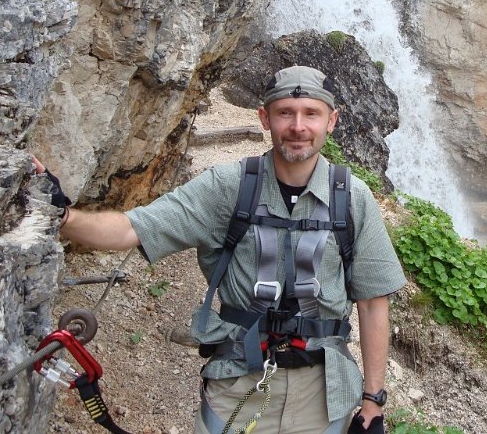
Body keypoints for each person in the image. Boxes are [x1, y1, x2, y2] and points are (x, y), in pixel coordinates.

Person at [37, 65, 406, 434]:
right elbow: (132, 228)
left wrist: (373, 401)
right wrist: (63, 214)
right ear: (264, 118)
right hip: (237, 382)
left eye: (311, 113)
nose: (298, 126)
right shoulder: (227, 187)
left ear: (331, 121)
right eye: (285, 113)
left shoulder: (353, 198)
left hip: (324, 396)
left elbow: (373, 302)